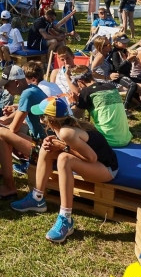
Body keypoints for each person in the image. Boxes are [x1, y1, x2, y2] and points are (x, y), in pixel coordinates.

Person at [11, 97, 119, 243]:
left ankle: (66, 219)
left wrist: (63, 147)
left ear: (49, 120)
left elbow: (92, 158)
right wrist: (55, 144)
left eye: (42, 116)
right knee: (46, 147)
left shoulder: (66, 132)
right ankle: (37, 198)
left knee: (64, 159)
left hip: (106, 169)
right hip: (97, 162)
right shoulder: (65, 125)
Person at [0, 63, 47, 200]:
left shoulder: (27, 94)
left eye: (6, 85)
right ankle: (5, 168)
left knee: (0, 134)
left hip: (46, 151)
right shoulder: (32, 89)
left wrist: (2, 126)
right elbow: (21, 113)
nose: (5, 88)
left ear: (16, 82)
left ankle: (9, 186)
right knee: (4, 126)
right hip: (47, 143)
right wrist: (4, 121)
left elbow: (13, 129)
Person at [68, 66, 131, 147]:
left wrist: (73, 103)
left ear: (80, 82)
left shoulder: (86, 92)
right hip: (125, 138)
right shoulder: (111, 87)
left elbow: (75, 118)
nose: (78, 87)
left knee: (71, 132)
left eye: (77, 84)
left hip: (107, 141)